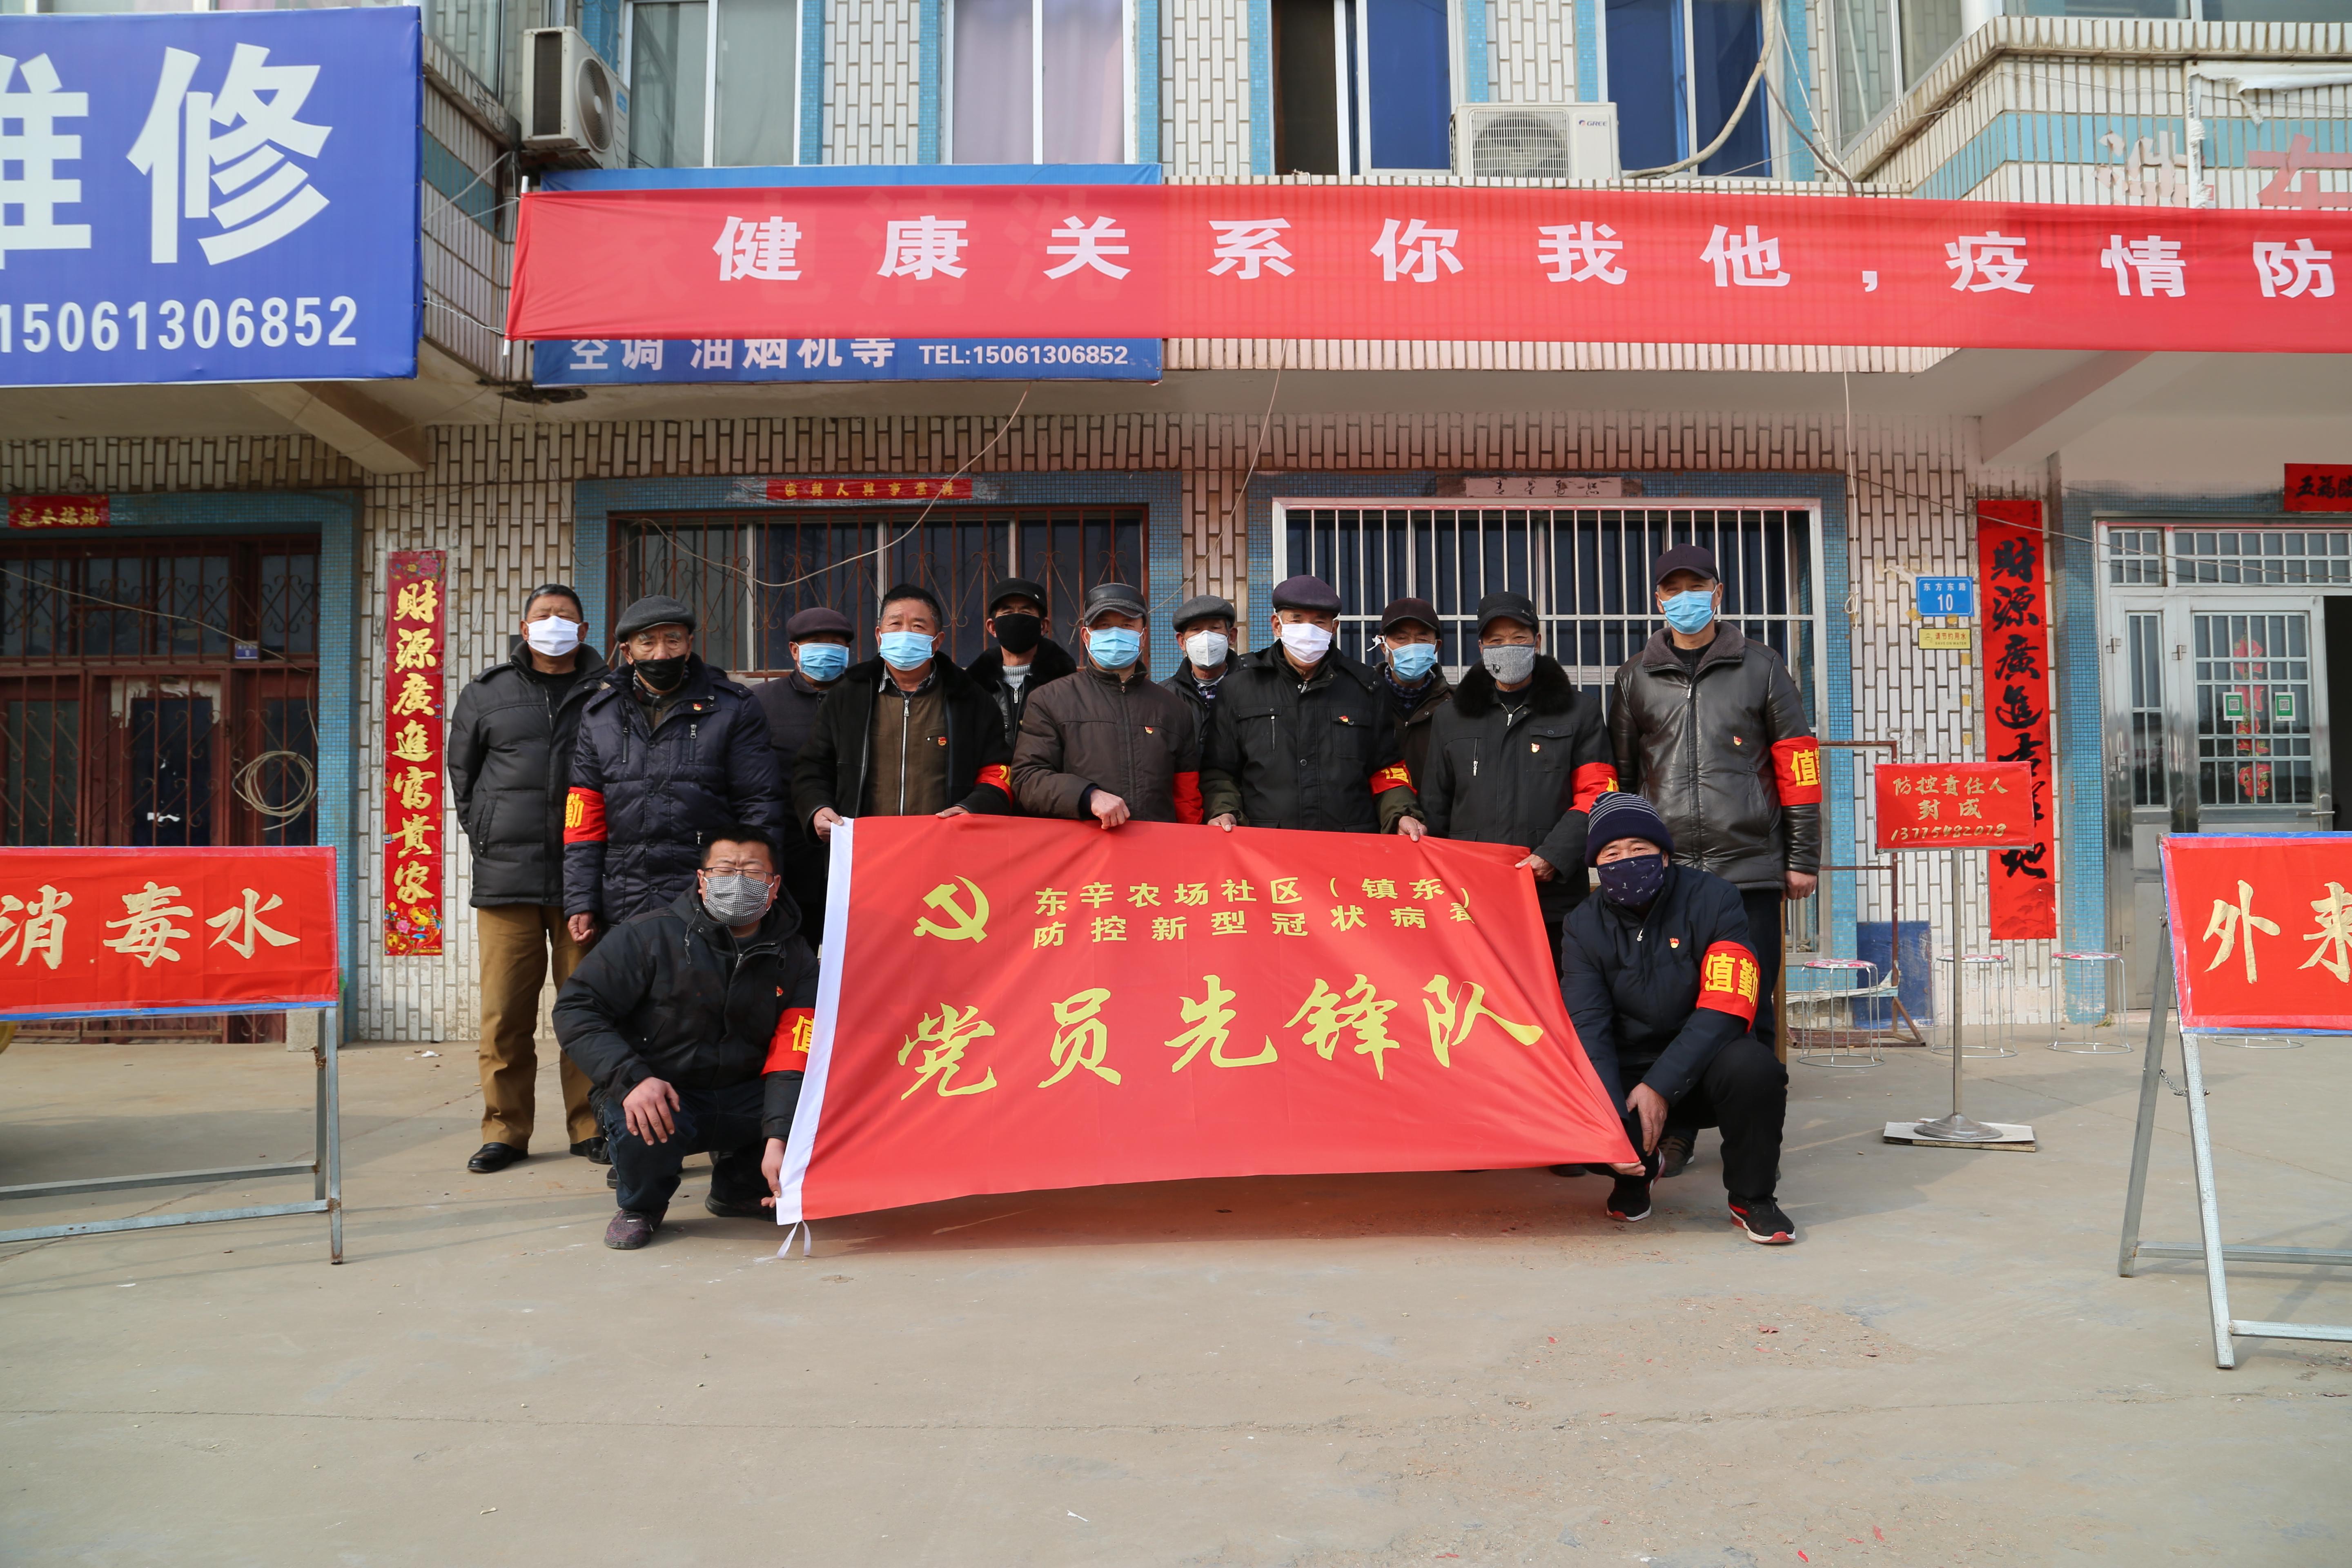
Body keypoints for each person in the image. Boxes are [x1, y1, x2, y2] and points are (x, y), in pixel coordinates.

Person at [1610, 544, 1820, 1178]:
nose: (1685, 598)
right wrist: (1623, 863)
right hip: (1668, 876)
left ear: (1718, 592)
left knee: (1751, 1010)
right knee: (1672, 1009)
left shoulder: (1762, 666)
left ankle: (1754, 1150)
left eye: (1696, 586)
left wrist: (1802, 856)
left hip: (1748, 870)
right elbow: (1623, 780)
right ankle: (1676, 1132)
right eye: (1672, 588)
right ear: (1657, 599)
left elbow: (1798, 764)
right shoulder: (1635, 676)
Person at [554, 828, 817, 1250]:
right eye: (725, 870)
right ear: (702, 879)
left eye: (753, 871)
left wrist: (782, 1135)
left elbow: (795, 1045)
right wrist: (632, 1079)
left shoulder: (796, 955)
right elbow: (577, 1008)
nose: (738, 881)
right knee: (641, 1117)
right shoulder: (647, 937)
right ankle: (641, 1207)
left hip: (746, 1091)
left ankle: (740, 1189)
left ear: (774, 885)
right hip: (662, 1087)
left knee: (817, 1108)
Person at [1557, 793, 1795, 1245]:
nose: (1626, 861)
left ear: (1665, 855)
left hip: (1705, 1063)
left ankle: (1753, 1198)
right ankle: (1635, 1176)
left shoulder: (1716, 899)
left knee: (1756, 1069)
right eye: (1612, 854)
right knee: (1577, 1094)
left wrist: (1660, 1086)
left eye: (1639, 848)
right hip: (1629, 1068)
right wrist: (1611, 1121)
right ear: (1596, 866)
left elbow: (1727, 1005)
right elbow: (1588, 1026)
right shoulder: (1582, 925)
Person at [446, 584, 607, 1176]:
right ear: (524, 627)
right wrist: (489, 833)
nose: (553, 624)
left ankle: (592, 1125)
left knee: (589, 1008)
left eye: (565, 616)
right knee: (504, 1014)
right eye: (544, 615)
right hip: (507, 881)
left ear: (584, 630)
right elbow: (463, 779)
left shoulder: (609, 692)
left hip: (585, 879)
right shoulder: (487, 693)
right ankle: (505, 1131)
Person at [563, 594, 786, 947]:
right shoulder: (599, 714)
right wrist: (582, 899)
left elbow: (759, 804)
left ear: (689, 644)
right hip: (625, 895)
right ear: (627, 652)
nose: (661, 654)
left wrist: (751, 887)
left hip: (710, 893)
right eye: (647, 643)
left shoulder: (734, 707)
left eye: (673, 640)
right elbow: (584, 816)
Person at [1417, 591, 1617, 955]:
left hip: (1553, 897)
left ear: (1537, 642)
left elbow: (1598, 794)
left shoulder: (1580, 712)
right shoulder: (1451, 717)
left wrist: (1554, 855)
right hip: (1470, 897)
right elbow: (1436, 805)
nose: (1508, 647)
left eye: (1519, 638)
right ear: (1481, 647)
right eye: (1496, 641)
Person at [1199, 574, 1426, 838]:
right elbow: (1220, 772)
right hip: (1266, 845)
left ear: (1334, 628)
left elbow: (1386, 769)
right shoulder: (1240, 687)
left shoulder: (1366, 687)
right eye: (1297, 620)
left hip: (1348, 844)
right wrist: (1224, 811)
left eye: (1319, 622)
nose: (1308, 631)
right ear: (1277, 625)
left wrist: (1401, 813)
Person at [794, 582, 1016, 845]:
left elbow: (998, 770)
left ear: (937, 642)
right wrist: (818, 808)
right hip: (863, 847)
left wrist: (973, 808)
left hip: (945, 846)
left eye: (918, 626)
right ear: (879, 636)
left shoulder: (972, 699)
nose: (905, 633)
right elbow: (813, 767)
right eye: (896, 624)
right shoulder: (847, 696)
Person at [1013, 582, 1202, 826]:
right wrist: (1086, 795)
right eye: (1104, 626)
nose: (1115, 634)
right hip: (1084, 846)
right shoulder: (1050, 700)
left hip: (1155, 845)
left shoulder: (1174, 709)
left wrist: (1194, 841)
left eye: (1127, 625)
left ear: (1143, 637)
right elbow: (1027, 779)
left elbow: (1187, 797)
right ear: (1086, 636)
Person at [755, 606, 855, 940]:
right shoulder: (761, 701)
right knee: (791, 949)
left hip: (855, 851)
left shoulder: (866, 698)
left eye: (835, 643)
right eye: (816, 642)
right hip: (789, 854)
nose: (826, 650)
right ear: (795, 651)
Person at [966, 575, 1076, 753]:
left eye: (1026, 613)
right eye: (1007, 613)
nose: (1016, 619)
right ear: (992, 627)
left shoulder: (1066, 687)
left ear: (1043, 626)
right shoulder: (972, 689)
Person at [1375, 595, 1452, 787]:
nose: (1412, 646)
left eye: (1422, 639)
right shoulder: (1363, 700)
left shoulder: (1456, 705)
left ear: (1436, 646)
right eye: (1401, 639)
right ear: (1384, 646)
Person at [1162, 593, 1238, 747]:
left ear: (1231, 636)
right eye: (1196, 630)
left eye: (1215, 628)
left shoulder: (1254, 688)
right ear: (1182, 642)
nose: (1206, 638)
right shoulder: (1164, 696)